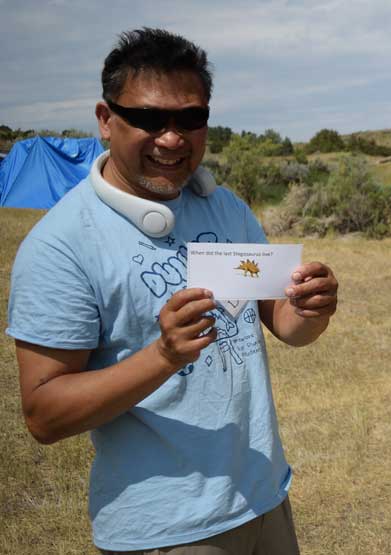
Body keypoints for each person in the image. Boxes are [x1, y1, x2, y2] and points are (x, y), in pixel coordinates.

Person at [7, 29, 339, 554]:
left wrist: (312, 308)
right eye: (148, 118)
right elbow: (44, 415)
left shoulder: (223, 207)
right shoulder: (62, 245)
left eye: (191, 118)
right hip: (169, 531)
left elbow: (287, 325)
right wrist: (162, 356)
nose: (172, 138)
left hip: (264, 495)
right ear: (105, 120)